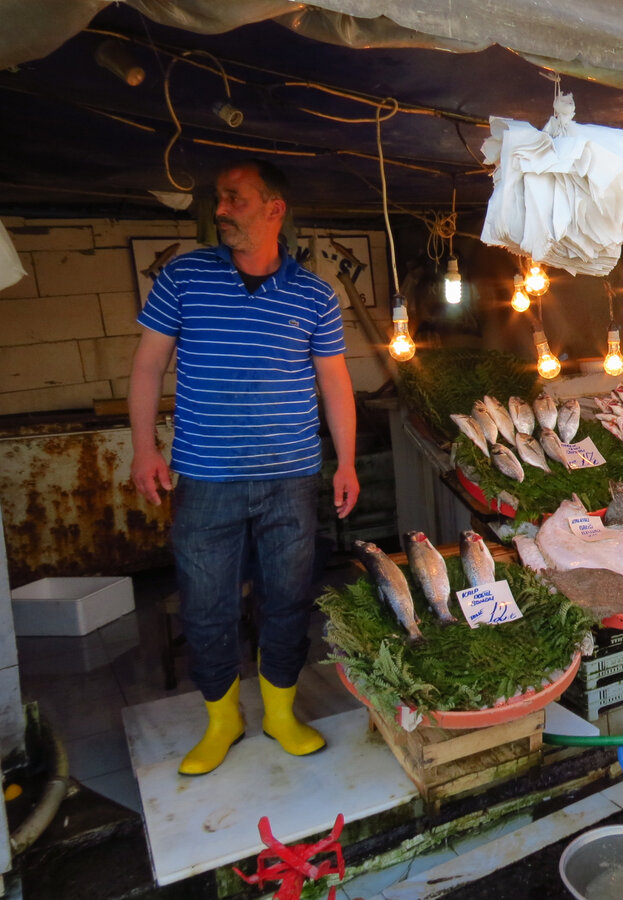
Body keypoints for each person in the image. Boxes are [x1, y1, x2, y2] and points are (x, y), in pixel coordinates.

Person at [129, 159, 360, 775]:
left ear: (273, 208)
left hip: (291, 478)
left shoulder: (314, 294)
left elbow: (335, 385)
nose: (222, 208)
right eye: (220, 198)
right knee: (207, 603)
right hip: (205, 478)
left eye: (234, 198)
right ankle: (222, 717)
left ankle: (281, 713)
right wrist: (145, 448)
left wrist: (347, 463)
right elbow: (148, 366)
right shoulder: (183, 277)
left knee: (288, 598)